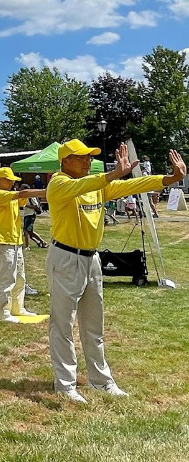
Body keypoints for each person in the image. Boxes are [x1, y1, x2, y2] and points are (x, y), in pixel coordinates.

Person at [46, 141, 185, 403]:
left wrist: (170, 178)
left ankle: (101, 381)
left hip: (91, 258)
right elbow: (81, 186)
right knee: (62, 325)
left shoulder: (97, 186)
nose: (88, 161)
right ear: (65, 161)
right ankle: (65, 385)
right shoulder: (59, 183)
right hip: (65, 258)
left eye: (90, 157)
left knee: (93, 325)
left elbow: (134, 185)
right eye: (81, 158)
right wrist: (111, 175)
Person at [0, 168, 45, 323]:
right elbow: (22, 195)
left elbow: (22, 198)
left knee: (20, 278)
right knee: (6, 279)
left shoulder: (10, 195)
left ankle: (18, 308)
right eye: (8, 180)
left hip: (15, 241)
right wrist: (44, 191)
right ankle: (3, 312)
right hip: (3, 242)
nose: (12, 182)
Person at [20, 184, 48, 249]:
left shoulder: (31, 196)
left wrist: (25, 205)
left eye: (21, 188)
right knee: (29, 232)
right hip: (26, 214)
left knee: (26, 231)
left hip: (31, 214)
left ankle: (28, 246)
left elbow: (36, 206)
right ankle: (40, 242)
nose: (20, 189)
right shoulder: (24, 197)